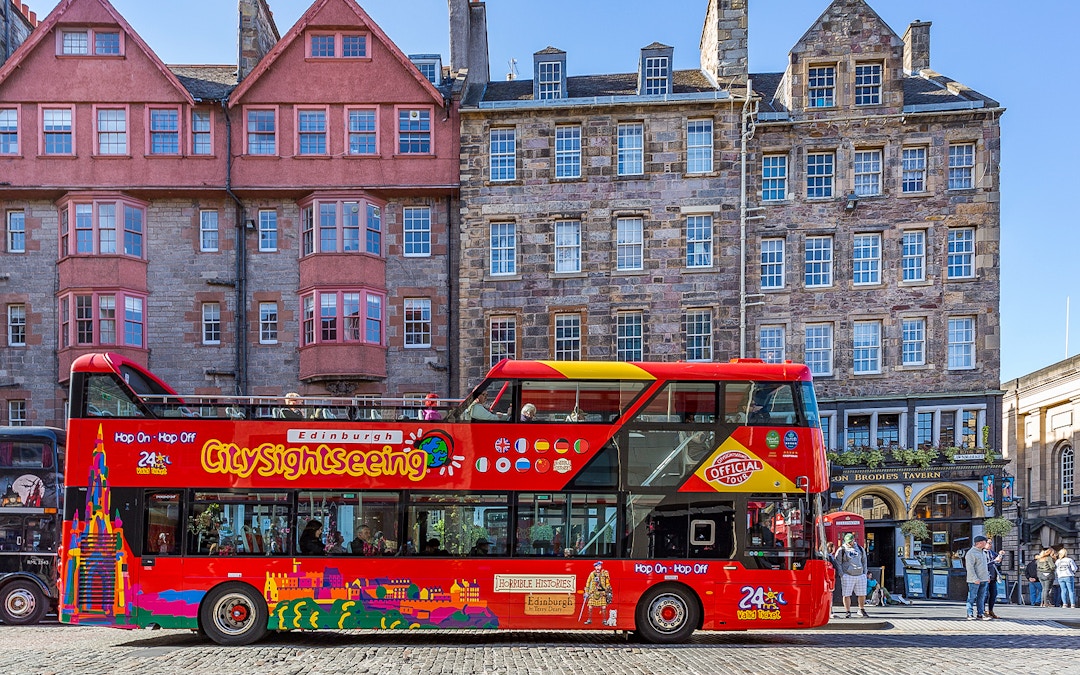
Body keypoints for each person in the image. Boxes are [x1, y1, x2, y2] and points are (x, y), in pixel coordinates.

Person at [836, 532, 870, 618]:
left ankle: (861, 609)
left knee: (862, 594)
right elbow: (838, 562)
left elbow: (864, 561)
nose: (849, 543)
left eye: (851, 541)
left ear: (854, 540)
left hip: (860, 574)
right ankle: (848, 611)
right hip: (847, 575)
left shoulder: (860, 548)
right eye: (848, 542)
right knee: (846, 594)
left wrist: (864, 573)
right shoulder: (842, 549)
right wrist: (841, 574)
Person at [964, 535, 991, 620]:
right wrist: (975, 578)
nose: (986, 544)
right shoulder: (971, 553)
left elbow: (984, 566)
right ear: (979, 543)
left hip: (984, 579)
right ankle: (969, 614)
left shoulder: (983, 552)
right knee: (971, 597)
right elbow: (970, 567)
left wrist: (987, 577)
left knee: (981, 598)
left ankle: (980, 613)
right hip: (974, 580)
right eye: (984, 542)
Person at [582, 560, 612, 625]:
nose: (598, 567)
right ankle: (589, 619)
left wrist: (607, 589)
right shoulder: (592, 574)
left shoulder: (604, 573)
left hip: (602, 592)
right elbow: (588, 582)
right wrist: (587, 591)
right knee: (590, 607)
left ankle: (604, 620)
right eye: (597, 566)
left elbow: (607, 583)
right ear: (595, 567)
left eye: (599, 566)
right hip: (593, 592)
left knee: (603, 607)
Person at [984, 540, 1004, 618]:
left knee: (993, 594)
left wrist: (1001, 555)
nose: (990, 545)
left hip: (993, 577)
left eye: (991, 543)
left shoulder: (992, 553)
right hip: (985, 577)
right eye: (989, 543)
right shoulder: (982, 553)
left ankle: (990, 610)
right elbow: (984, 564)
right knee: (985, 595)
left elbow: (998, 562)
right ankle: (982, 610)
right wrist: (994, 561)